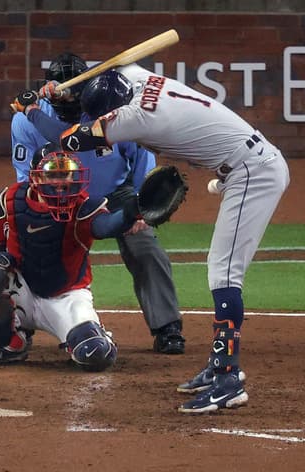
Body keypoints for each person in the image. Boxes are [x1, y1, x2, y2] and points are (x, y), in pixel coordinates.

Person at [19, 64, 290, 414]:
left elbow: (69, 138)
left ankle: (228, 378)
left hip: (253, 173)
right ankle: (218, 368)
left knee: (223, 273)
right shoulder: (135, 75)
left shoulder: (135, 119)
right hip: (245, 162)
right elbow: (102, 67)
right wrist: (63, 87)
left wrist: (30, 109)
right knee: (221, 271)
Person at [11, 52, 186, 355]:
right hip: (58, 196)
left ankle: (167, 328)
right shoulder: (25, 121)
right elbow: (26, 177)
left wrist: (142, 207)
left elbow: (141, 160)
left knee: (144, 246)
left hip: (116, 194)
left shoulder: (111, 111)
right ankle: (18, 329)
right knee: (32, 247)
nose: (68, 109)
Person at [0, 147, 137, 372]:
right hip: (22, 291)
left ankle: (96, 336)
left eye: (65, 174)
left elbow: (106, 227)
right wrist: (6, 267)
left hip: (66, 297)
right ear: (36, 176)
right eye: (52, 174)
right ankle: (9, 344)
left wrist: (132, 211)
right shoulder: (8, 201)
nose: (60, 182)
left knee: (95, 355)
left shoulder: (83, 205)